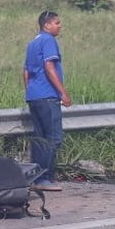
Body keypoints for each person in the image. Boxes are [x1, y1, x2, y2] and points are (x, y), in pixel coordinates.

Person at [23, 10, 71, 191]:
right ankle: (45, 179)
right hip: (48, 95)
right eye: (57, 23)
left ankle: (35, 178)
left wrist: (30, 91)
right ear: (47, 25)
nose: (60, 26)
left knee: (39, 138)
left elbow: (26, 71)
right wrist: (63, 93)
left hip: (34, 96)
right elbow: (49, 67)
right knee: (53, 138)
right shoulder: (49, 41)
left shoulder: (32, 43)